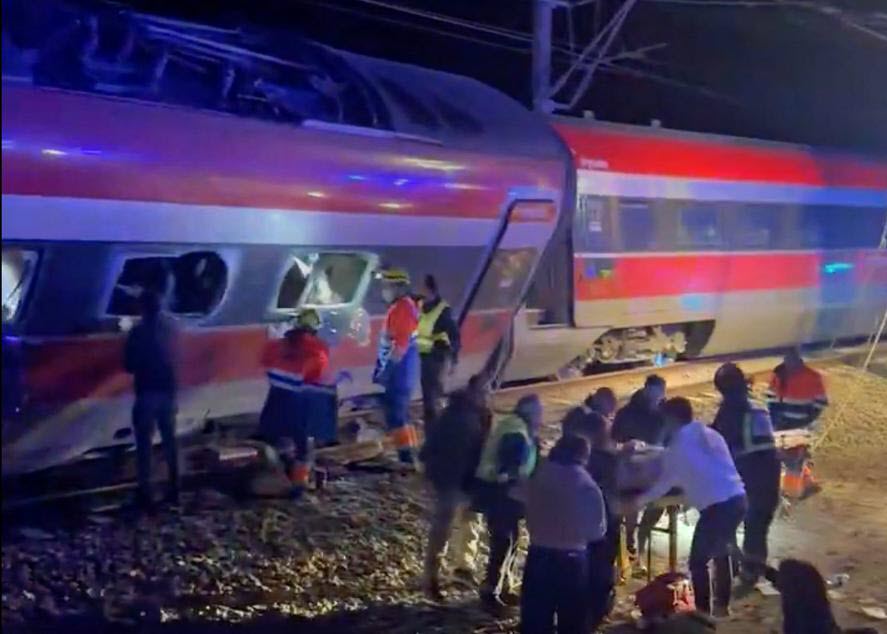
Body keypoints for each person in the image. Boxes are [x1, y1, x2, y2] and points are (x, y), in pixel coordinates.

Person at [625, 397, 747, 617]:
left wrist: (637, 502)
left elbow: (663, 484)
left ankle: (702, 613)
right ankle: (722, 606)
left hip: (717, 508)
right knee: (721, 551)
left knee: (698, 562)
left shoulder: (679, 446)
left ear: (672, 419)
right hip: (738, 498)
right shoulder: (710, 434)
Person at [513, 434, 606, 634]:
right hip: (572, 558)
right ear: (584, 456)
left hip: (538, 553)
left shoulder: (539, 475)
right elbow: (596, 531)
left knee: (535, 620)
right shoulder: (587, 486)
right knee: (572, 620)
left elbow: (517, 494)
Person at [419, 375, 489, 599]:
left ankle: (436, 575)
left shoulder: (450, 415)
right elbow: (479, 452)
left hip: (449, 480)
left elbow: (427, 449)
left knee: (445, 528)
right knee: (462, 523)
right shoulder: (475, 419)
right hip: (460, 480)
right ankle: (455, 570)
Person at [712, 362, 780, 587]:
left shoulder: (731, 412)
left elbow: (719, 441)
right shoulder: (757, 409)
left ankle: (738, 567)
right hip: (768, 476)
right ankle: (751, 569)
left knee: (733, 522)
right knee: (757, 527)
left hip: (748, 478)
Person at [258, 308, 337, 497]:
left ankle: (275, 473)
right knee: (303, 446)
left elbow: (265, 361)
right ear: (316, 328)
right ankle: (298, 488)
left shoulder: (280, 344)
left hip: (277, 400)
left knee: (273, 438)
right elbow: (318, 374)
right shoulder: (318, 347)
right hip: (301, 404)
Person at [474, 394, 542, 614]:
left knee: (511, 538)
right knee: (503, 541)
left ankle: (503, 586)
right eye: (538, 413)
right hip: (500, 493)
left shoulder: (518, 426)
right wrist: (519, 486)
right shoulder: (516, 431)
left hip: (503, 492)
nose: (541, 417)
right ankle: (490, 591)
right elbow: (509, 468)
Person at [562, 405, 621, 631]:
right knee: (600, 572)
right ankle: (594, 616)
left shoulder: (576, 459)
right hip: (603, 525)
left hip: (577, 526)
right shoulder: (608, 460)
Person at [124, 289, 180, 511]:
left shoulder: (138, 332)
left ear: (142, 308)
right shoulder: (172, 328)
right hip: (168, 391)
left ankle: (145, 492)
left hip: (147, 392)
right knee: (170, 441)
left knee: (144, 445)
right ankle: (175, 489)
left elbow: (129, 365)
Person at [613, 375, 668, 567]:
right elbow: (615, 439)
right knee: (630, 498)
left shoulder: (665, 414)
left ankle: (642, 535)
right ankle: (630, 538)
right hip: (631, 468)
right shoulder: (628, 413)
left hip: (656, 469)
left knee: (661, 499)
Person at [765, 348, 828, 499]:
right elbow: (771, 400)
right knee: (793, 457)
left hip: (799, 427)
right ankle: (802, 484)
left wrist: (806, 420)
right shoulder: (779, 376)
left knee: (793, 459)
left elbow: (819, 404)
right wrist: (776, 421)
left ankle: (791, 492)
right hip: (785, 426)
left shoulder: (811, 378)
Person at [373, 267, 421, 465]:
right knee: (401, 414)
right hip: (403, 369)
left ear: (399, 287)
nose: (384, 290)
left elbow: (400, 347)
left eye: (387, 286)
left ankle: (406, 458)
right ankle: (411, 454)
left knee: (396, 415)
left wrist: (387, 371)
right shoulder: (403, 307)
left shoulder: (402, 309)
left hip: (400, 370)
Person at [417, 274, 460, 426]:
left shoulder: (443, 311)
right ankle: (433, 419)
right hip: (423, 355)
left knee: (433, 391)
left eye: (422, 288)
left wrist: (454, 360)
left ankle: (438, 421)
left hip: (436, 356)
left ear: (430, 290)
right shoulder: (421, 306)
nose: (419, 291)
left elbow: (454, 335)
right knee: (427, 391)